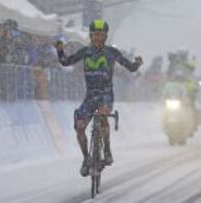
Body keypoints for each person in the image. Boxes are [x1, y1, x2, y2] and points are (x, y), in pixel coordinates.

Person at [54, 19, 143, 177]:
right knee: (80, 126)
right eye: (95, 34)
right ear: (90, 35)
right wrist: (60, 50)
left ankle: (107, 150)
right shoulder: (85, 52)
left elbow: (129, 67)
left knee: (103, 114)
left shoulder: (112, 52)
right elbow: (65, 62)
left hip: (106, 95)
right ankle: (86, 159)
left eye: (101, 35)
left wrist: (137, 63)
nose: (97, 38)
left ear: (106, 36)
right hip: (90, 96)